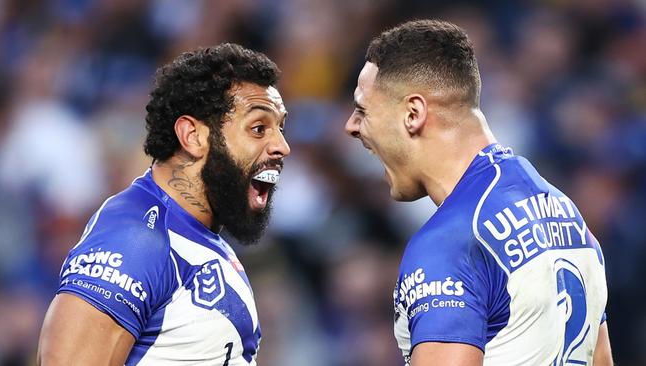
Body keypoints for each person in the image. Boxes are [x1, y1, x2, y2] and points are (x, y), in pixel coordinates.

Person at [345, 20, 613, 365]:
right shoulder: (566, 213)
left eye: (363, 110)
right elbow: (601, 358)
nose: (351, 126)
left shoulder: (450, 243)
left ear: (413, 113)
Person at [38, 43, 290, 365]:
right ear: (193, 136)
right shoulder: (137, 237)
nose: (282, 146)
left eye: (281, 128)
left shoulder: (199, 238)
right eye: (259, 128)